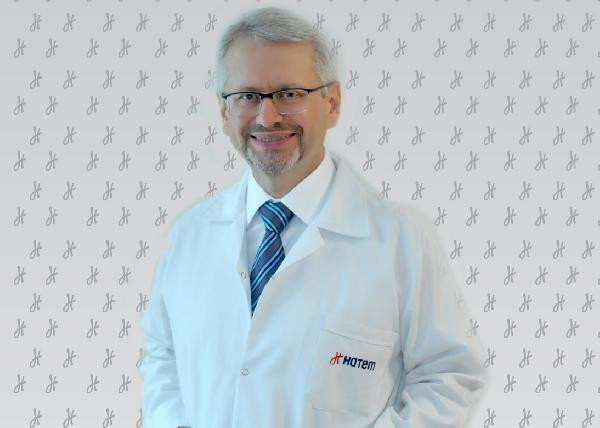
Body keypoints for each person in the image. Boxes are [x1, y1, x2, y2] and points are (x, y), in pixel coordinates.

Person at [140, 6, 489, 428]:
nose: (268, 117)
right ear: (223, 112)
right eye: (248, 96)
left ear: (333, 103)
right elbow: (162, 355)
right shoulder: (190, 235)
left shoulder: (401, 240)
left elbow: (448, 376)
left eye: (290, 93)